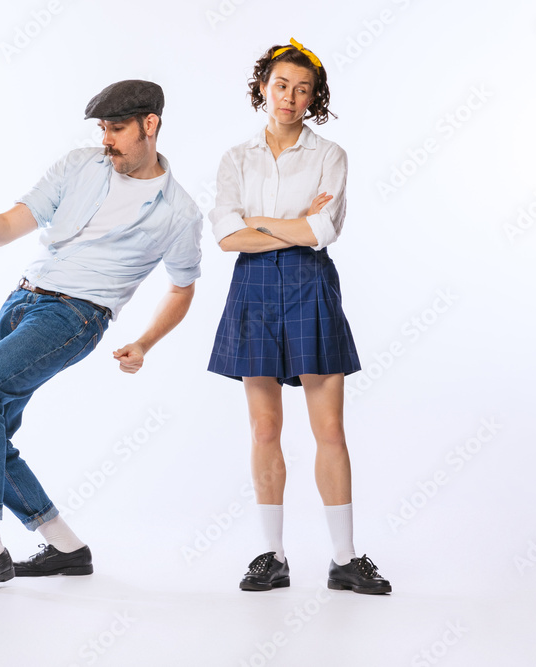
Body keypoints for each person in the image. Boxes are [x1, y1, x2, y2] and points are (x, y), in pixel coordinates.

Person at [0, 79, 202, 594]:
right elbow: (6, 226)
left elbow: (182, 289)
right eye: (102, 129)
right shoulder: (80, 166)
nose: (107, 140)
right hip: (23, 301)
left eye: (117, 129)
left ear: (150, 125)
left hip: (74, 316)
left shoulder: (178, 212)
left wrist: (145, 341)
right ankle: (67, 546)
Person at [208, 39, 391, 594]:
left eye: (303, 89)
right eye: (282, 84)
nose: (290, 97)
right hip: (254, 288)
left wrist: (257, 223)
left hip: (311, 285)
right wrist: (287, 224)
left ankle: (344, 558)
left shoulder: (329, 154)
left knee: (329, 428)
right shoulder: (235, 158)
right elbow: (224, 235)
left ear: (314, 98)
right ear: (264, 85)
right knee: (265, 427)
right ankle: (272, 555)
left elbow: (323, 231)